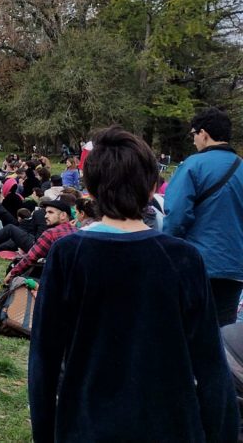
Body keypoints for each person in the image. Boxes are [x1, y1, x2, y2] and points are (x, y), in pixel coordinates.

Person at [29, 125, 237, 442]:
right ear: (153, 187)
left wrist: (46, 431)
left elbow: (44, 359)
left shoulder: (69, 255)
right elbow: (210, 364)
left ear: (91, 188)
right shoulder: (183, 258)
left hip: (88, 425)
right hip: (170, 425)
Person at [164, 107, 243, 326]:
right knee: (222, 331)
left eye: (193, 134)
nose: (193, 140)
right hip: (234, 266)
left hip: (196, 262)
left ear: (204, 134)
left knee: (188, 329)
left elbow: (176, 216)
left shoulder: (193, 165)